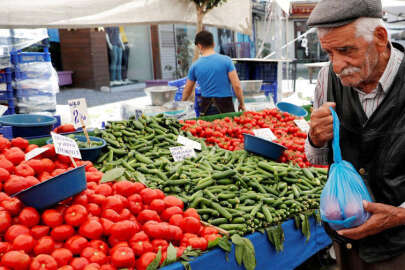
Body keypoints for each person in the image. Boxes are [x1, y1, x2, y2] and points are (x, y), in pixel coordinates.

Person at [305, 0, 405, 269]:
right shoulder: (327, 78)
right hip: (346, 240)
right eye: (329, 53)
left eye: (346, 50)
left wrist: (399, 215)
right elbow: (316, 158)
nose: (337, 65)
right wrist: (315, 137)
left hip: (399, 246)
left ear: (380, 38)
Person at [182, 30, 245, 115]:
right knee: (228, 128)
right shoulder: (226, 61)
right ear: (213, 44)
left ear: (199, 46)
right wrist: (241, 103)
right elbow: (236, 86)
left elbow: (187, 90)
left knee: (208, 128)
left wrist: (181, 105)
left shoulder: (195, 65)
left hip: (206, 108)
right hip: (226, 106)